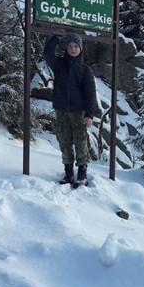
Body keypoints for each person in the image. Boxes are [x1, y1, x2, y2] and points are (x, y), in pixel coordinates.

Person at [44, 32, 96, 186]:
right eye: (70, 46)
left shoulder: (85, 69)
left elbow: (90, 93)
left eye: (76, 46)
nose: (73, 49)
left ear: (80, 49)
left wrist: (89, 114)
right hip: (61, 110)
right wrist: (56, 38)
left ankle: (82, 174)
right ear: (66, 48)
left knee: (80, 142)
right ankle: (68, 174)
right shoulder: (59, 64)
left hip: (78, 111)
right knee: (64, 141)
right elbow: (47, 54)